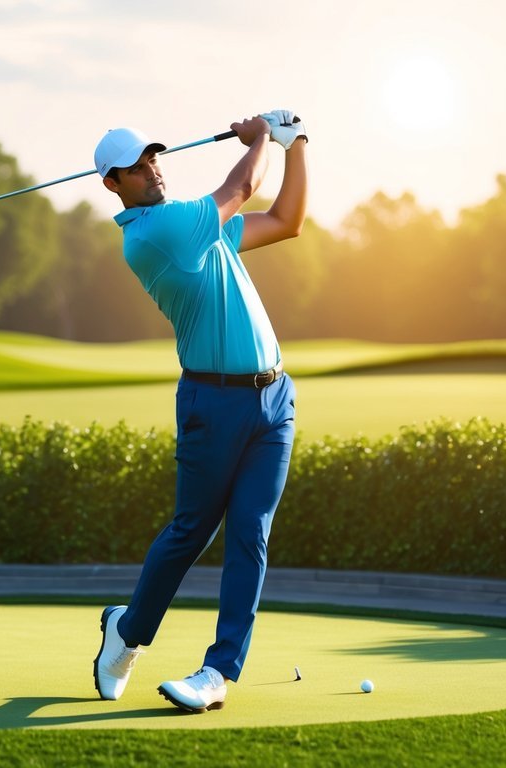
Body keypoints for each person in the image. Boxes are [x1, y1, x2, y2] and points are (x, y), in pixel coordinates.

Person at [91, 110, 308, 713]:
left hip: (274, 401)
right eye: (133, 168)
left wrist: (297, 145)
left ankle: (218, 672)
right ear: (112, 185)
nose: (150, 170)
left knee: (250, 533)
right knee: (192, 530)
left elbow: (288, 221)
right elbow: (240, 188)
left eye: (152, 157)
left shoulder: (197, 227)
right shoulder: (156, 233)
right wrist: (260, 135)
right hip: (212, 402)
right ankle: (129, 632)